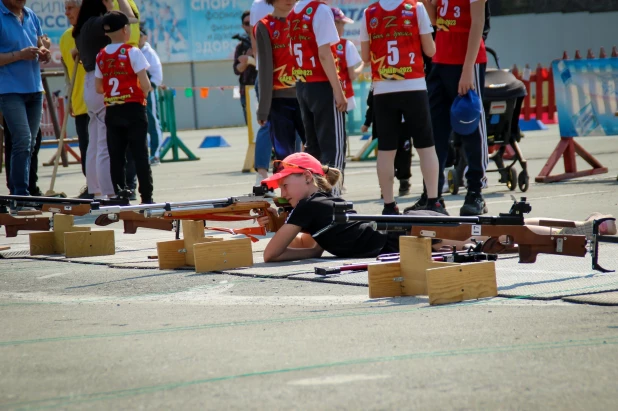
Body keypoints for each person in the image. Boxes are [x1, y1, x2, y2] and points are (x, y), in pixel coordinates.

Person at [255, 153, 617, 262]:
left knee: (499, 231)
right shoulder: (321, 202)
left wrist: (280, 237)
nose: (282, 188)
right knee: (495, 226)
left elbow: (271, 255)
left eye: (286, 180)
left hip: (402, 236)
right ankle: (585, 224)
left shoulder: (307, 206)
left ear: (307, 177)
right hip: (403, 230)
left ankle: (581, 230)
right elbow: (319, 246)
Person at [360, 0, 445, 215]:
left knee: (387, 151)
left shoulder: (369, 13)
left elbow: (364, 57)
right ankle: (434, 201)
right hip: (413, 85)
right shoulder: (415, 8)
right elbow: (431, 49)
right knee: (426, 146)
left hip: (383, 89)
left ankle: (389, 205)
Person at [417, 0, 489, 216]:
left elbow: (478, 22)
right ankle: (433, 196)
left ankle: (475, 192)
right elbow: (437, 22)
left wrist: (468, 69)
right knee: (435, 133)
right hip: (440, 60)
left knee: (471, 127)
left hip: (467, 62)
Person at [73, 0, 138, 199]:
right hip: (103, 83)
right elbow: (129, 19)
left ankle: (95, 188)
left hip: (90, 82)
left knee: (94, 141)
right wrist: (119, 2)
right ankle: (108, 191)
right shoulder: (99, 24)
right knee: (105, 143)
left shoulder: (83, 26)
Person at [288, 0, 347, 197]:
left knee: (313, 146)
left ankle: (313, 196)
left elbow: (291, 51)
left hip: (303, 84)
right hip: (321, 84)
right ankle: (334, 198)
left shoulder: (294, 11)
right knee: (334, 147)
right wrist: (338, 90)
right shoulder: (320, 10)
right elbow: (324, 54)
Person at [94, 10, 153, 204]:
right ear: (125, 30)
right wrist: (143, 93)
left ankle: (120, 196)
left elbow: (98, 87)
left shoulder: (101, 55)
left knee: (116, 156)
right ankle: (146, 196)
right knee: (140, 155)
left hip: (113, 110)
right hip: (134, 108)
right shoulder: (132, 51)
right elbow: (145, 84)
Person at [0, 0, 51, 196]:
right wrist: (19, 55)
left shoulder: (30, 15)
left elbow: (40, 43)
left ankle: (21, 190)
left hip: (34, 88)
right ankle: (20, 193)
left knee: (29, 144)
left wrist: (44, 50)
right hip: (9, 89)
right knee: (22, 139)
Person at [255, 0, 305, 164]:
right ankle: (287, 188)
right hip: (279, 100)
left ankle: (319, 188)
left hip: (308, 95)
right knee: (284, 154)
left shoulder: (305, 21)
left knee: (315, 148)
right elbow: (265, 67)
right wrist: (264, 108)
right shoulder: (264, 26)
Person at [60, 0, 92, 198]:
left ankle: (119, 185)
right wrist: (69, 97)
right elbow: (66, 71)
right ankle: (91, 186)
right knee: (86, 148)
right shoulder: (65, 38)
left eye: (70, 8)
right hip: (80, 101)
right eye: (65, 9)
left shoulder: (95, 30)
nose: (66, 13)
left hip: (102, 100)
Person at [361, 87, 413, 197]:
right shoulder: (377, 79)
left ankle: (404, 180)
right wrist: (367, 122)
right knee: (386, 156)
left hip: (404, 126)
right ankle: (385, 186)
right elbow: (372, 104)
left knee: (404, 154)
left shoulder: (405, 77)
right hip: (385, 125)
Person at [250, 0, 275, 184]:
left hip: (277, 72)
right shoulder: (259, 5)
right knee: (267, 120)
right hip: (272, 72)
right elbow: (254, 37)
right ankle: (262, 172)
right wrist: (261, 65)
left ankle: (263, 172)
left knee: (292, 123)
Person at [138, 27, 164, 164]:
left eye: (140, 35)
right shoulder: (131, 50)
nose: (138, 38)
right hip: (134, 93)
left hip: (148, 92)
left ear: (145, 37)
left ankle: (155, 154)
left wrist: (149, 89)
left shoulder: (150, 53)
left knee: (152, 122)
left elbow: (157, 75)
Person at [331, 8, 363, 112]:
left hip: (321, 94)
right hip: (343, 95)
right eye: (340, 24)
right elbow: (352, 75)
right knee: (339, 127)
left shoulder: (317, 43)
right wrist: (363, 64)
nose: (342, 28)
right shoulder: (347, 45)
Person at [234, 10, 258, 125]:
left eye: (251, 22)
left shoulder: (264, 41)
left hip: (266, 90)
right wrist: (248, 57)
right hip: (247, 91)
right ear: (243, 26)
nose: (249, 25)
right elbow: (237, 69)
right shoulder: (241, 47)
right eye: (246, 23)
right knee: (251, 126)